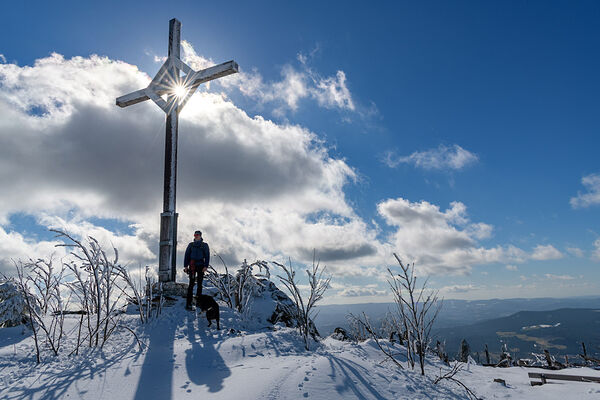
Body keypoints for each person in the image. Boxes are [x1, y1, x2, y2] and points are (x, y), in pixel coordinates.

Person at [183, 230, 210, 310]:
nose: (196, 236)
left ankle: (198, 302)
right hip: (192, 266)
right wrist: (185, 266)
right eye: (195, 235)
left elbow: (207, 256)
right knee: (191, 284)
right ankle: (189, 303)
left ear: (200, 236)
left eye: (198, 235)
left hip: (201, 266)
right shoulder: (191, 245)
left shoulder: (204, 245)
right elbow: (187, 255)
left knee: (199, 284)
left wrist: (206, 266)